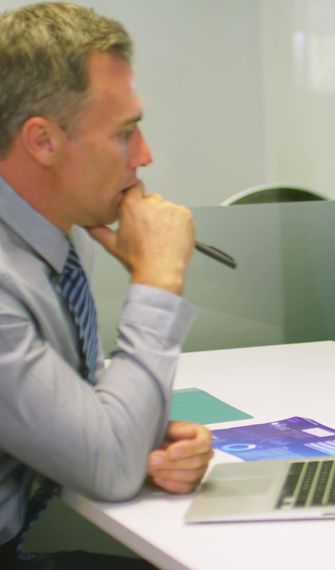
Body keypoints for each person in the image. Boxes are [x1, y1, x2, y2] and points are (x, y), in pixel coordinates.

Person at [0, 3, 214, 566]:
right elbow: (111, 466)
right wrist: (159, 280)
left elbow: (84, 411)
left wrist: (150, 434)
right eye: (125, 134)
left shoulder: (59, 240)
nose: (144, 156)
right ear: (42, 141)